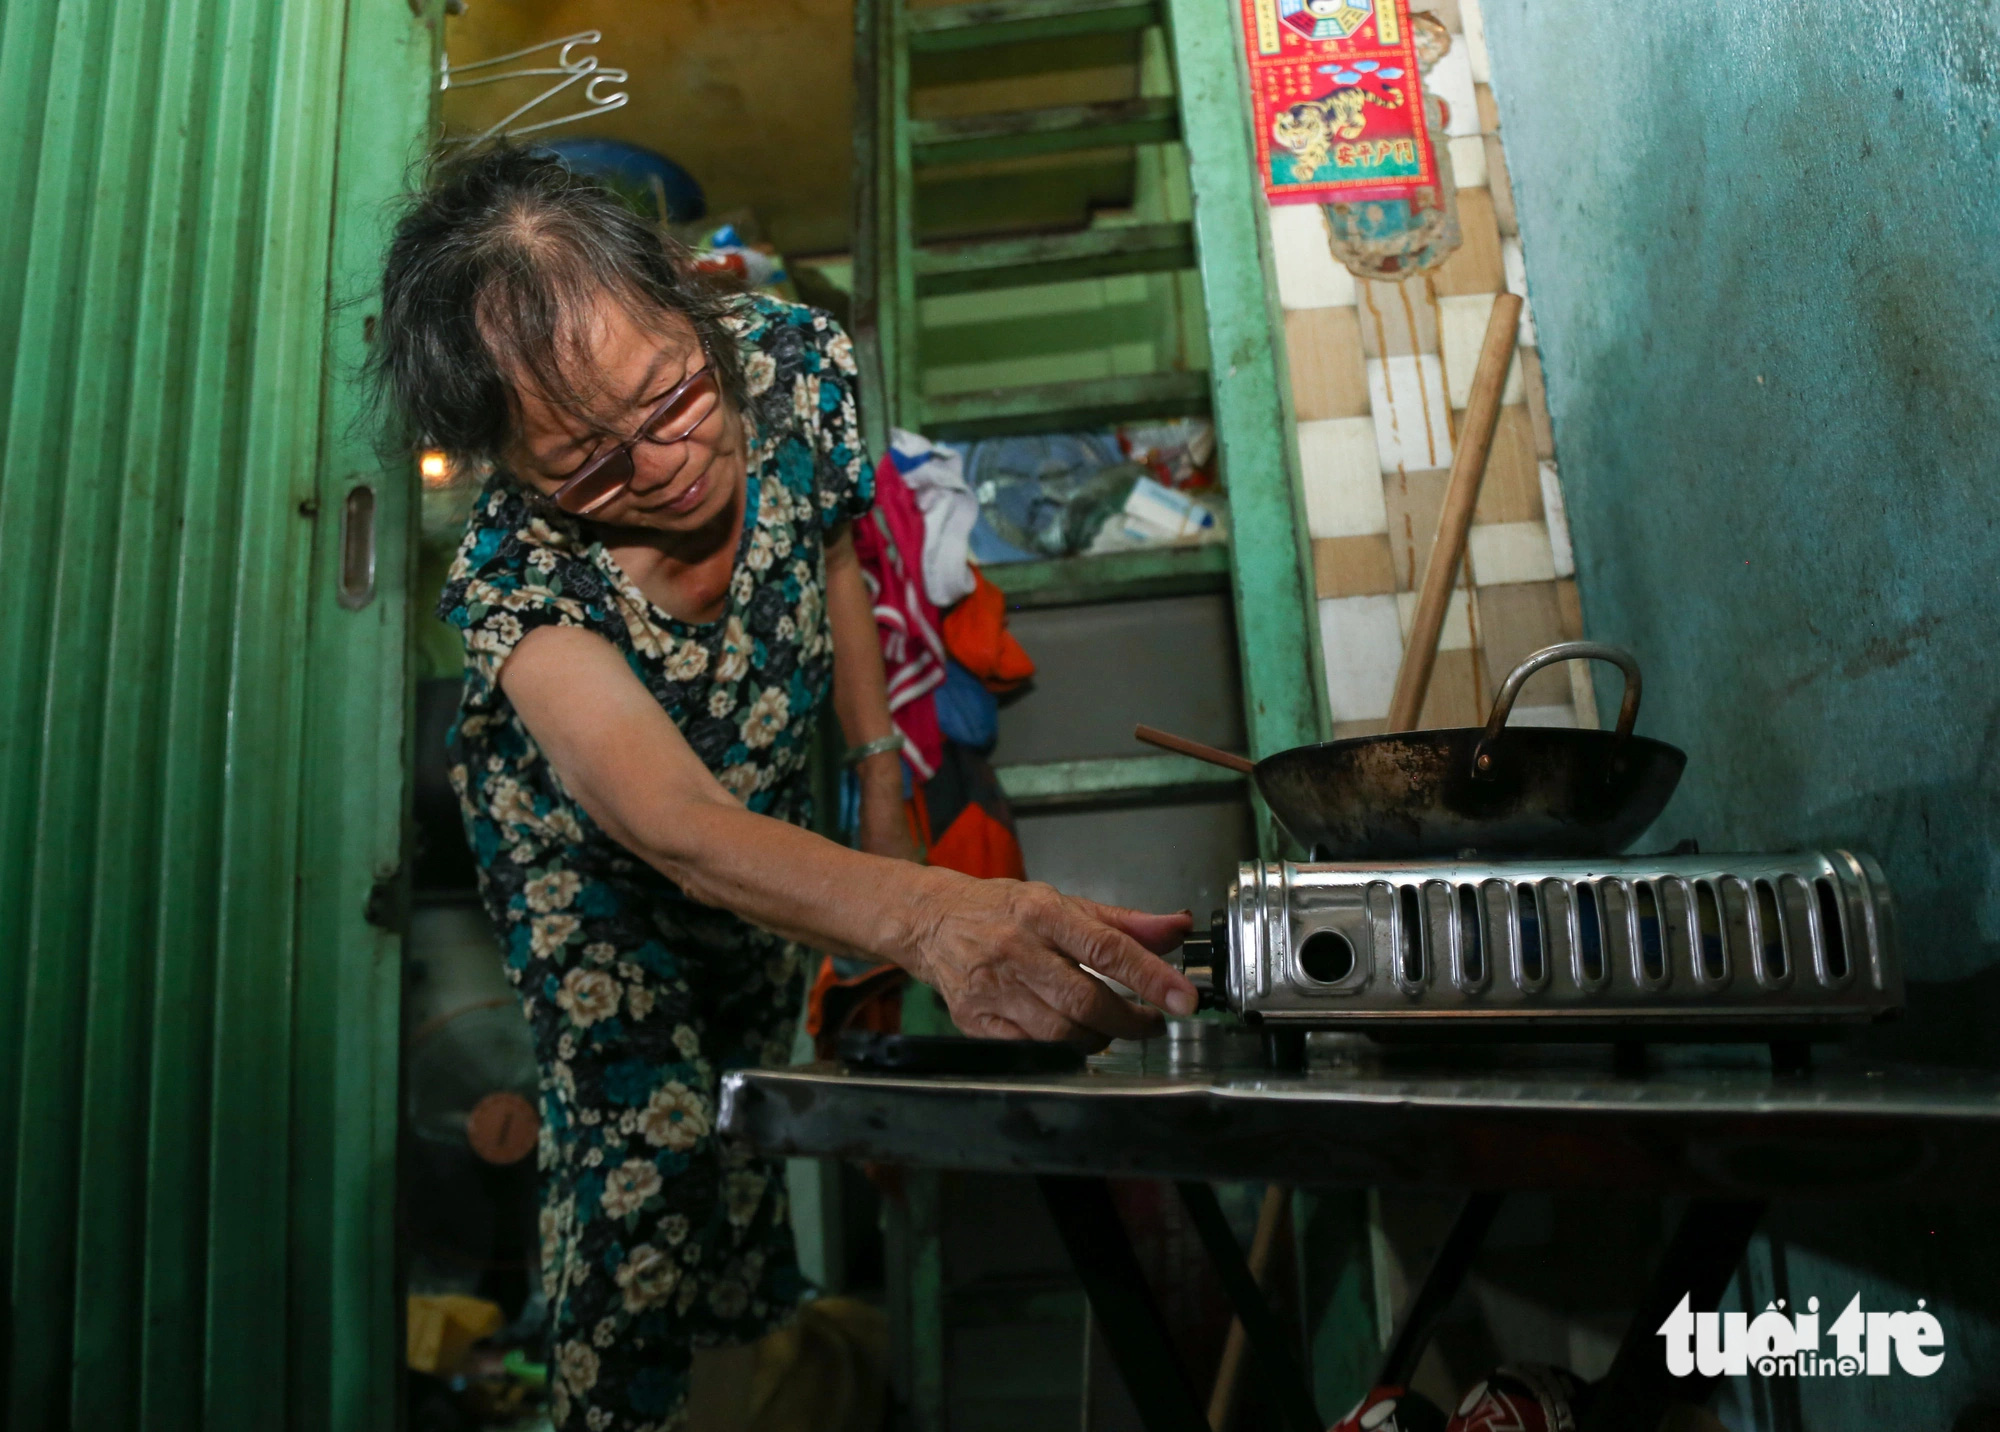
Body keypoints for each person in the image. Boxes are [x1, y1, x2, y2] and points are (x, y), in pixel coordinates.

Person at [373, 145, 1197, 1432]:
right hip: (596, 873)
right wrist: (933, 916)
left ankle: (747, 1384)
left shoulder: (792, 363)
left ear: (694, 303)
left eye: (671, 397)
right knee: (637, 1159)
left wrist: (877, 773)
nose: (663, 468)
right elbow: (676, 831)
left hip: (767, 809)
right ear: (508, 473)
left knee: (744, 1111)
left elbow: (827, 555)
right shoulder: (511, 581)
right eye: (588, 465)